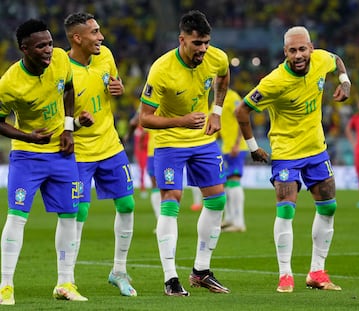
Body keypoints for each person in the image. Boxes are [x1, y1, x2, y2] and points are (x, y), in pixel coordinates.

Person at [236, 26, 351, 293]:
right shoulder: (274, 82)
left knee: (328, 207)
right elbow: (242, 111)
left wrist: (345, 81)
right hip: (287, 152)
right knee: (286, 209)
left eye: (302, 49)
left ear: (311, 48)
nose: (298, 55)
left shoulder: (322, 59)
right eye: (292, 51)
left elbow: (337, 60)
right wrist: (253, 147)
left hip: (316, 149)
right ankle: (285, 274)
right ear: (284, 52)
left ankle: (316, 272)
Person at [139, 10, 230, 296]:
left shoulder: (217, 57)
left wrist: (216, 112)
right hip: (169, 141)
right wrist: (181, 121)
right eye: (197, 43)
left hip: (202, 140)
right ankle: (170, 278)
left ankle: (201, 271)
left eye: (206, 42)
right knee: (172, 200)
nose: (203, 49)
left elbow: (224, 78)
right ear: (182, 40)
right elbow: (145, 118)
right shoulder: (161, 69)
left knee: (217, 199)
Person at [0, 19, 88, 305]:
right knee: (17, 216)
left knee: (69, 216)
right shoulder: (10, 83)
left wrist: (68, 127)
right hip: (27, 156)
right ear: (25, 49)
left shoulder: (61, 59)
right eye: (41, 46)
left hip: (62, 155)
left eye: (50, 43)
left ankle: (65, 282)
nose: (49, 50)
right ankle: (5, 287)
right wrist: (27, 136)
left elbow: (69, 90)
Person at [63, 12, 137, 297]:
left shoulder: (105, 54)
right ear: (77, 38)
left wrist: (116, 88)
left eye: (99, 31)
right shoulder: (62, 68)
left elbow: (112, 84)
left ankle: (119, 270)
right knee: (79, 210)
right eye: (94, 32)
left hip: (110, 145)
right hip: (79, 151)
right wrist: (75, 123)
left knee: (128, 204)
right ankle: (67, 278)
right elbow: (59, 115)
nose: (101, 37)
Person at [218, 88, 248, 232]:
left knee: (234, 180)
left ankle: (239, 223)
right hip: (225, 147)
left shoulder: (232, 96)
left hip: (236, 147)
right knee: (227, 183)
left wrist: (237, 143)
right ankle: (230, 219)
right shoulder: (217, 99)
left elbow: (242, 117)